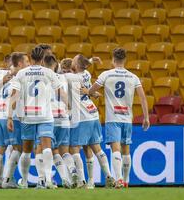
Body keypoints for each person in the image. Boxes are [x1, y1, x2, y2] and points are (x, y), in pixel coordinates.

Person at [83, 47, 150, 189]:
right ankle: (126, 180)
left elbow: (93, 90)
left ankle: (118, 179)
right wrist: (146, 117)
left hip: (113, 118)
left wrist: (87, 91)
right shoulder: (133, 77)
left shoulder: (106, 75)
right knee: (126, 149)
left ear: (113, 60)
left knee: (116, 149)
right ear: (125, 60)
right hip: (127, 118)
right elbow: (143, 97)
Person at [7, 46, 68, 189]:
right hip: (45, 116)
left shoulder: (21, 73)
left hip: (28, 116)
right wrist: (69, 104)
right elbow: (61, 92)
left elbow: (13, 96)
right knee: (47, 148)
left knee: (27, 150)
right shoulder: (48, 73)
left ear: (31, 57)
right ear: (42, 59)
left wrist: (10, 116)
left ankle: (25, 181)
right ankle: (47, 180)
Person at [66, 54, 115, 189]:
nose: (71, 61)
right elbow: (85, 67)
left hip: (81, 116)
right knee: (94, 148)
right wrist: (91, 93)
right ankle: (106, 176)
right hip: (93, 113)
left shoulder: (73, 78)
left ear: (76, 66)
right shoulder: (86, 73)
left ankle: (81, 181)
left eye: (73, 60)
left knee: (73, 148)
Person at [0, 52, 30, 189]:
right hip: (12, 117)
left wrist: (2, 80)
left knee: (0, 148)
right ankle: (7, 179)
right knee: (18, 148)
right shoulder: (20, 76)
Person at [42, 54, 73, 188]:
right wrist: (69, 107)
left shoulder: (42, 78)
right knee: (65, 151)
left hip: (50, 118)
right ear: (56, 65)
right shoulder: (64, 78)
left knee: (53, 151)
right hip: (64, 117)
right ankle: (72, 170)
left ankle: (65, 178)